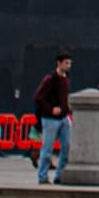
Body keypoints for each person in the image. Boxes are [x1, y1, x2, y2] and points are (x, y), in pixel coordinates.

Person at [33, 52, 74, 184]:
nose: (68, 66)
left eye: (70, 63)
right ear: (59, 63)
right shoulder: (50, 79)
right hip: (50, 118)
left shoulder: (66, 78)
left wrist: (67, 106)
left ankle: (59, 175)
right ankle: (43, 176)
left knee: (66, 146)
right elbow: (38, 97)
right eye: (66, 63)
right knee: (48, 148)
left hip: (63, 117)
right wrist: (51, 108)